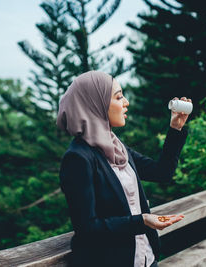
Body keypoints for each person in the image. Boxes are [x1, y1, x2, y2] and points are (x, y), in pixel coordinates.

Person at [56, 71, 190, 267]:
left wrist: (175, 128)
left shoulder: (117, 146)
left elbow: (162, 172)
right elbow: (87, 228)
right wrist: (141, 221)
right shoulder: (78, 158)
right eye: (118, 97)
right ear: (96, 104)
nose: (126, 102)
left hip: (146, 259)